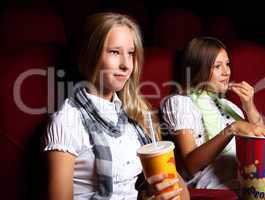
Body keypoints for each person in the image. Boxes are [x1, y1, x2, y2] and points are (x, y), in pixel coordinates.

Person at [43, 12, 189, 200]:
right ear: (90, 55)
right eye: (114, 52)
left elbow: (181, 190)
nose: (126, 65)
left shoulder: (134, 117)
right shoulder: (67, 120)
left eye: (131, 54)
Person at [160, 37, 265, 190]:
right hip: (215, 189)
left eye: (227, 64)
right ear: (199, 69)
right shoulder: (181, 103)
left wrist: (249, 106)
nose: (226, 72)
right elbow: (191, 165)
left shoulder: (228, 106)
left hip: (249, 182)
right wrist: (232, 129)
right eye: (218, 66)